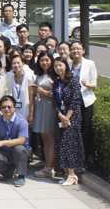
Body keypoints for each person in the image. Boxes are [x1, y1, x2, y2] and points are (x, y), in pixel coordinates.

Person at [53, 56, 84, 186]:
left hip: (72, 118)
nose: (58, 68)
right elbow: (54, 102)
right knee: (60, 144)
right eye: (56, 66)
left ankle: (72, 175)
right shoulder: (56, 83)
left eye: (60, 65)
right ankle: (65, 173)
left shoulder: (73, 81)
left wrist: (67, 117)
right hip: (60, 117)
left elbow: (75, 101)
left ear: (66, 66)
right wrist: (61, 116)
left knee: (69, 144)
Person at [0, 95, 30, 187]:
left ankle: (21, 176)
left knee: (20, 149)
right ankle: (9, 171)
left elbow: (21, 140)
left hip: (18, 149)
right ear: (0, 109)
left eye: (9, 107)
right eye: (3, 107)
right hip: (4, 151)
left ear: (14, 108)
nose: (6, 109)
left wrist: (3, 142)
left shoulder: (21, 121)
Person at [69, 41, 97, 164]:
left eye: (78, 49)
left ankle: (84, 159)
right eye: (73, 49)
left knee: (85, 130)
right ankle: (74, 158)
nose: (75, 51)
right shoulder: (68, 64)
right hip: (72, 103)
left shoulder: (90, 64)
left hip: (85, 101)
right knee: (73, 131)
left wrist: (86, 84)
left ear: (83, 51)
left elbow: (94, 84)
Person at [30, 52, 57, 178]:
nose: (44, 63)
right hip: (40, 107)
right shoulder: (39, 75)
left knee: (50, 138)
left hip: (49, 107)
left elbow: (58, 95)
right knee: (44, 139)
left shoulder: (54, 76)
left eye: (47, 60)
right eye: (42, 60)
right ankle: (47, 164)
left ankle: (50, 167)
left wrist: (44, 92)